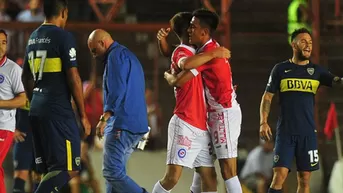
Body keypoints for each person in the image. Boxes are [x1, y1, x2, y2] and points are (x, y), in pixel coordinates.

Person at [165, 9, 243, 193]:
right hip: (212, 115)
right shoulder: (207, 50)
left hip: (223, 114)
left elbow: (181, 78)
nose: (189, 30)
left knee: (228, 171)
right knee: (204, 170)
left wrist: (168, 77)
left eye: (193, 27)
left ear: (204, 32)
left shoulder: (209, 54)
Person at [259, 28, 343, 193]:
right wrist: (263, 121)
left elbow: (337, 81)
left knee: (304, 180)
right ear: (293, 45)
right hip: (286, 133)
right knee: (279, 176)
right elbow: (267, 97)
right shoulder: (280, 69)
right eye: (304, 41)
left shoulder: (317, 71)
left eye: (310, 42)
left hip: (308, 134)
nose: (308, 45)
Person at [21, 0, 91, 192]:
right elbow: (73, 77)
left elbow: (25, 76)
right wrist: (83, 116)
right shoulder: (63, 37)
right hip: (57, 111)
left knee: (48, 170)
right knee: (69, 167)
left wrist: (34, 99)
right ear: (64, 13)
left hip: (36, 109)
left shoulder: (33, 37)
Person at [87, 29, 149, 193]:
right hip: (137, 124)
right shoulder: (130, 56)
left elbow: (117, 89)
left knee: (111, 172)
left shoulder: (115, 57)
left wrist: (105, 117)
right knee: (114, 177)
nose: (94, 55)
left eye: (94, 50)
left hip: (122, 123)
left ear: (102, 43)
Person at [0, 29, 27, 193]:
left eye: (3, 42)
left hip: (3, 127)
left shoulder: (13, 69)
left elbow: (22, 99)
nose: (1, 46)